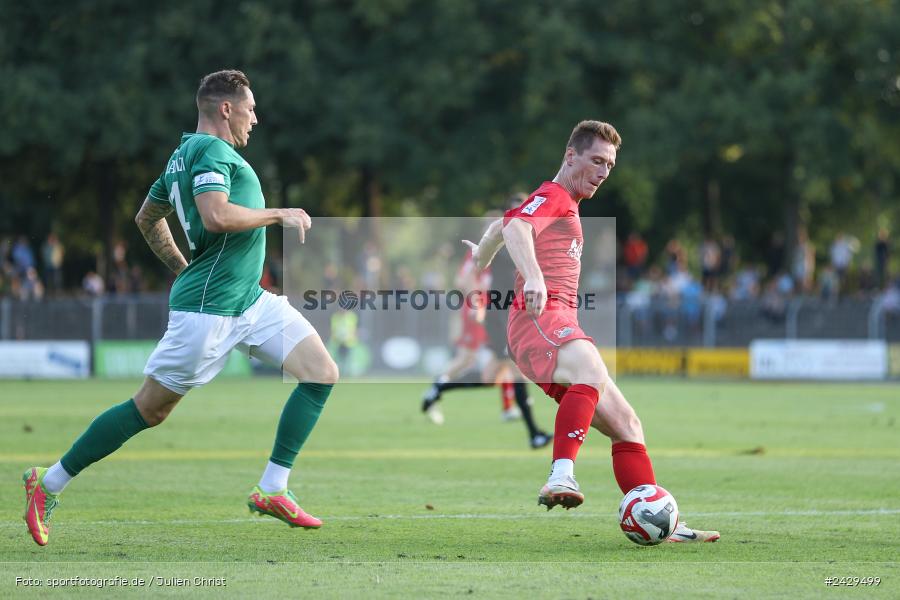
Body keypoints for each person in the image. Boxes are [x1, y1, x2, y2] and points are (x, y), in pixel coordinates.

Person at [22, 70, 339, 546]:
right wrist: (280, 213)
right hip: (209, 309)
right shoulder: (211, 151)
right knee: (149, 411)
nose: (256, 117)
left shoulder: (180, 156)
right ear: (226, 109)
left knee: (320, 372)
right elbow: (215, 215)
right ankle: (46, 484)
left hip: (248, 300)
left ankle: (273, 487)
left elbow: (147, 218)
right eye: (251, 108)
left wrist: (180, 265)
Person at [463, 120, 718, 543]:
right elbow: (516, 227)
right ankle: (561, 476)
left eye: (610, 165)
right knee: (592, 369)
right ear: (571, 156)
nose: (603, 171)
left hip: (552, 324)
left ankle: (662, 520)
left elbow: (502, 226)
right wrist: (534, 278)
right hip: (538, 320)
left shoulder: (559, 201)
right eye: (596, 160)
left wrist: (481, 260)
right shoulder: (556, 195)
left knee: (628, 425)